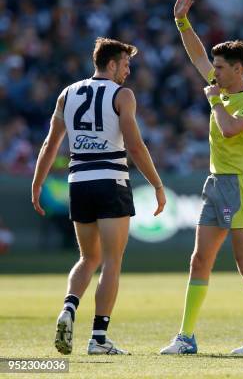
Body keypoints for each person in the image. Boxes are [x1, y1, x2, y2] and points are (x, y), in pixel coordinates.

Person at [31, 37, 166, 355]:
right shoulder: (122, 95)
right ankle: (99, 338)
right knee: (112, 262)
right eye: (125, 64)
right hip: (111, 181)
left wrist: (37, 183)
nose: (128, 71)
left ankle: (68, 308)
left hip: (78, 183)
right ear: (111, 63)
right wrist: (158, 185)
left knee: (87, 258)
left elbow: (51, 143)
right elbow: (135, 146)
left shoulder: (68, 93)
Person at [160, 0, 243, 355]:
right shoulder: (220, 86)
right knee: (199, 259)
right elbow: (196, 56)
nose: (214, 73)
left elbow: (228, 130)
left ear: (238, 69)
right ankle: (186, 337)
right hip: (215, 183)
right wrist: (181, 21)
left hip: (240, 184)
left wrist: (213, 102)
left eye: (221, 68)